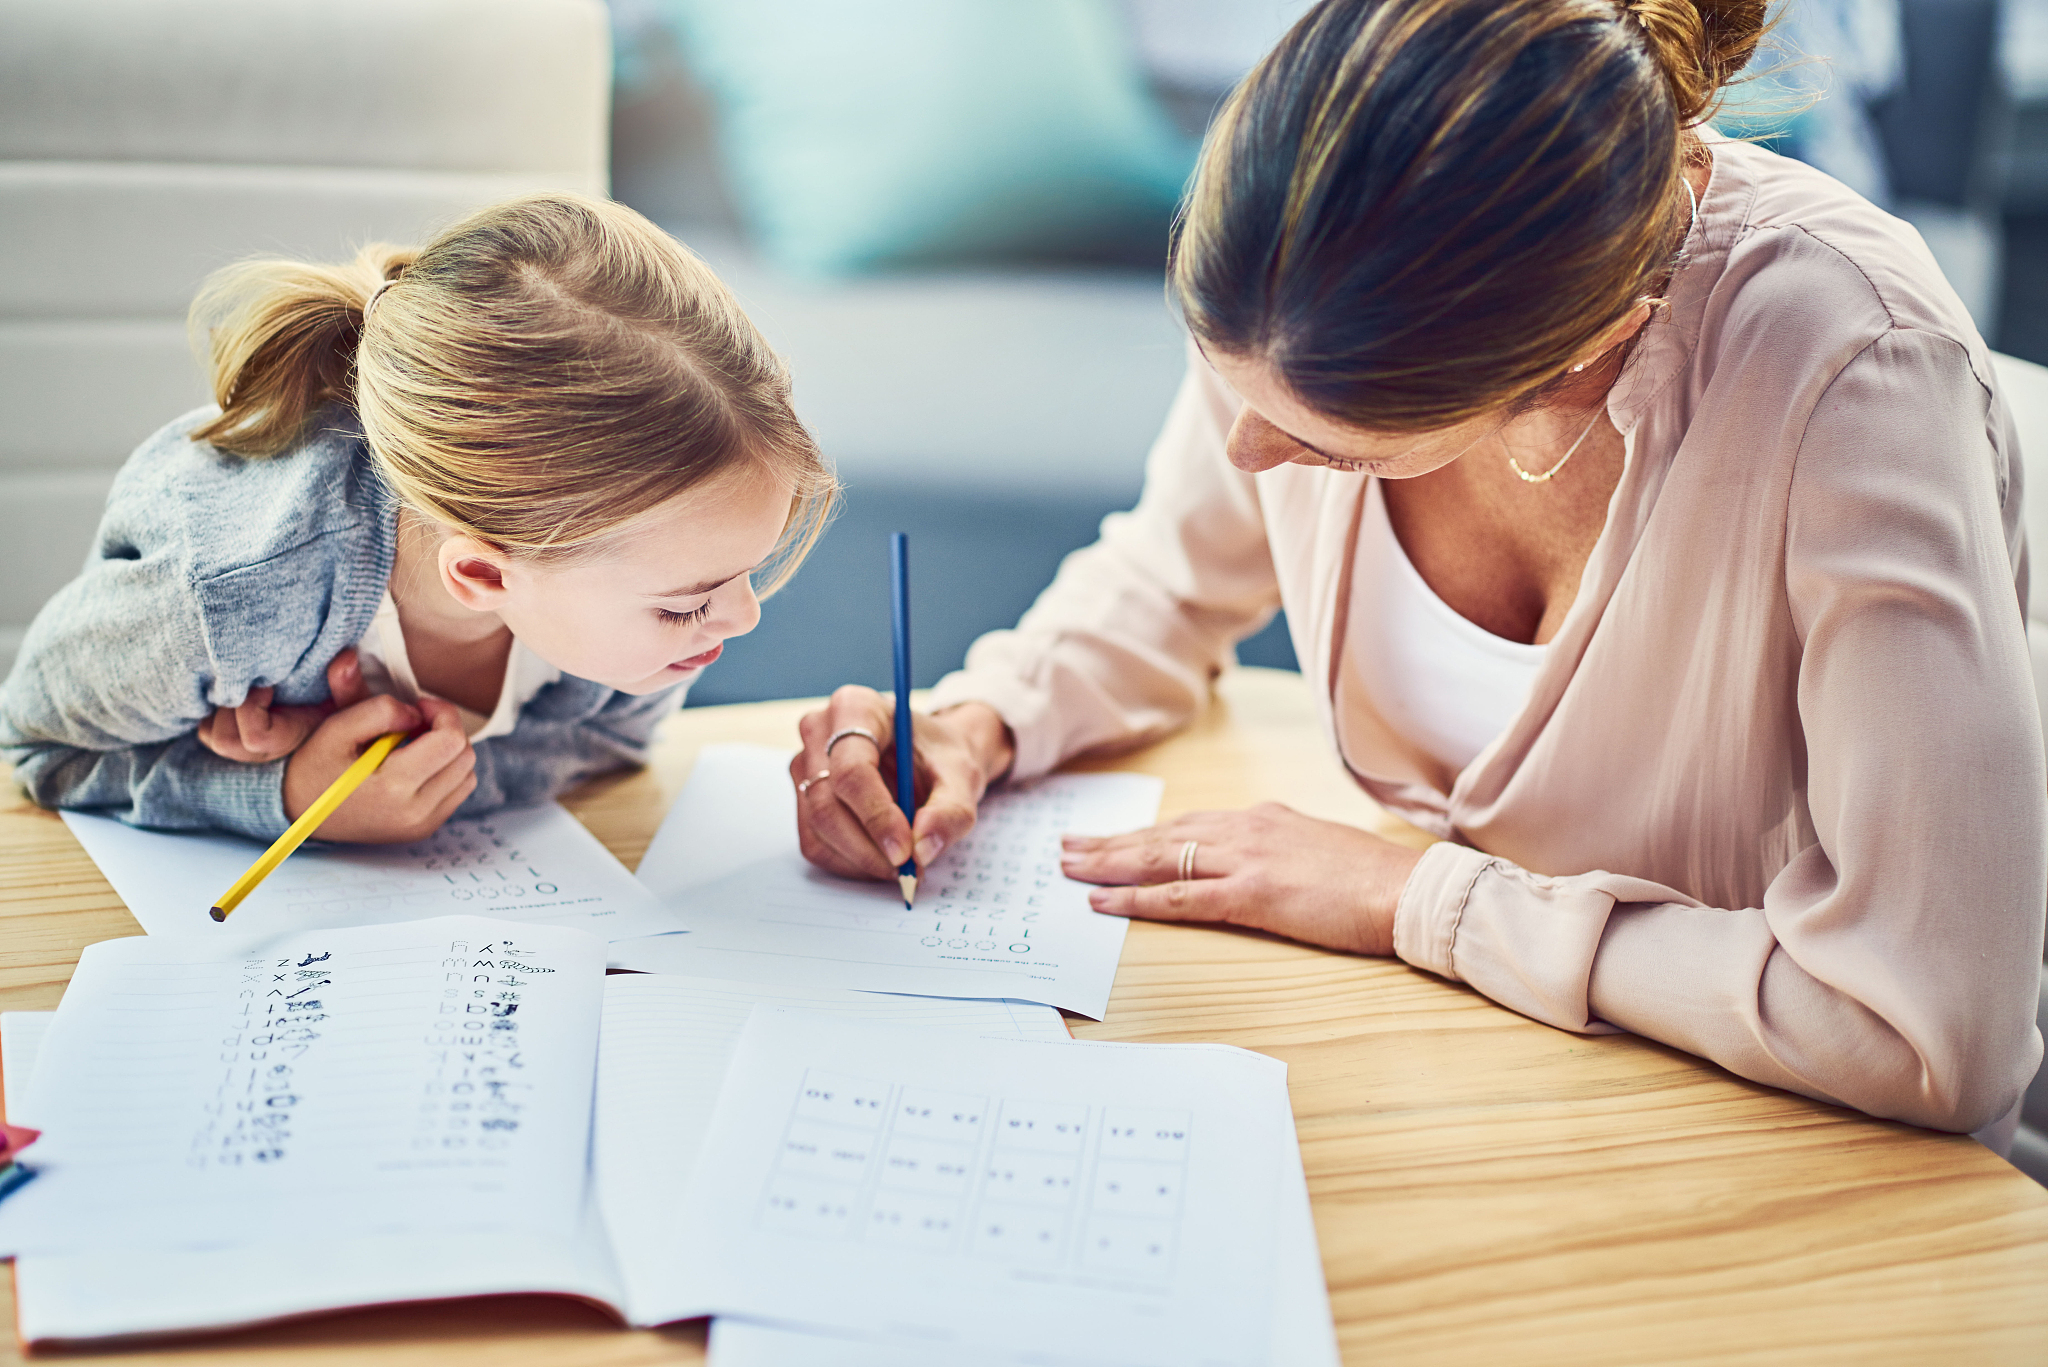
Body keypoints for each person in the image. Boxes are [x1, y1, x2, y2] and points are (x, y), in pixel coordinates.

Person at [789, 0, 2046, 1143]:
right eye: (1224, 378)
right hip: (1477, 1076)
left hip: (1782, 1152)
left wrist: (1415, 899)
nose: (1249, 450)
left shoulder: (1855, 376)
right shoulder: (1304, 266)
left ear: (1581, 355)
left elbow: (1924, 1029)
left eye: (1327, 444)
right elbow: (1169, 576)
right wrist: (976, 720)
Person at [1, 192, 832, 844]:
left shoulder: (640, 594)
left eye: (744, 575)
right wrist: (291, 796)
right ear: (480, 573)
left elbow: (615, 745)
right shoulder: (232, 598)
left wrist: (420, 771)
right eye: (688, 603)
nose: (741, 616)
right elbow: (36, 743)